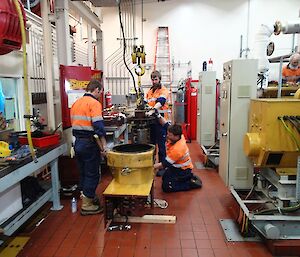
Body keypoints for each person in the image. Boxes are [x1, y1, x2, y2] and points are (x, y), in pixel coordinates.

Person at [70, 79, 107, 215]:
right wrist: (104, 147)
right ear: (96, 90)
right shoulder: (94, 103)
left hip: (78, 143)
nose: (99, 95)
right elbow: (98, 127)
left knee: (84, 172)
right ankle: (87, 205)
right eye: (100, 92)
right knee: (92, 173)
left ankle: (86, 196)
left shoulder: (76, 103)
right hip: (89, 144)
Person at [153, 112, 202, 192]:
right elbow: (165, 124)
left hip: (182, 170)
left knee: (167, 187)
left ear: (176, 136)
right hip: (176, 166)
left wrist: (150, 166)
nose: (167, 136)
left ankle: (190, 183)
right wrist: (158, 115)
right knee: (165, 177)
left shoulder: (177, 150)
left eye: (169, 135)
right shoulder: (179, 135)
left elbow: (164, 164)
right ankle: (187, 177)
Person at [145, 70, 169, 176]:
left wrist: (153, 110)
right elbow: (146, 102)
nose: (154, 81)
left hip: (161, 121)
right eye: (152, 79)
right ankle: (152, 165)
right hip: (151, 122)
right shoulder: (150, 91)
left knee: (161, 145)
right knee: (152, 144)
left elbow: (161, 102)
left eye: (156, 79)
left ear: (159, 79)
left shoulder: (163, 90)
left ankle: (162, 167)